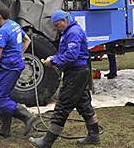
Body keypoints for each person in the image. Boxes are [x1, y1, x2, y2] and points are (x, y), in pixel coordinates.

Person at [29, 10, 100, 147]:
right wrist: (54, 57)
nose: (56, 28)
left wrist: (54, 60)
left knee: (62, 105)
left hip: (76, 74)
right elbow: (67, 52)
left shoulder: (73, 32)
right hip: (79, 72)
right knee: (84, 104)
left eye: (57, 25)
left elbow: (72, 55)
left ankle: (47, 142)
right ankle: (94, 135)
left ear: (64, 21)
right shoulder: (69, 31)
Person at [0, 4, 36, 138]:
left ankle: (27, 116)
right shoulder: (15, 25)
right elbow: (26, 40)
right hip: (15, 64)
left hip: (8, 67)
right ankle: (5, 130)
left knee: (0, 99)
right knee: (5, 96)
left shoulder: (3, 31)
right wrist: (19, 53)